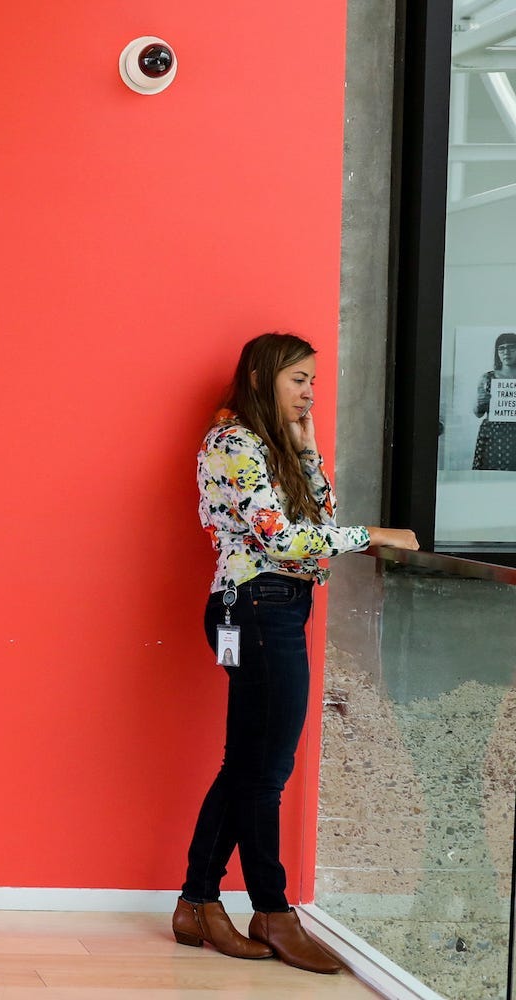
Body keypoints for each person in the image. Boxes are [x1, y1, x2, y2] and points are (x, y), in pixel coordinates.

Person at [175, 332, 419, 974]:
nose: (310, 392)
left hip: (273, 608)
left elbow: (318, 517)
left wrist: (309, 452)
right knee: (266, 770)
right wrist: (370, 535)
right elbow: (283, 539)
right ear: (259, 379)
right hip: (254, 607)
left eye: (314, 380)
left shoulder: (273, 447)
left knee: (247, 765)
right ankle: (272, 910)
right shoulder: (232, 444)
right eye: (297, 380)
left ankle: (198, 903)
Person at [471, 331, 516, 471]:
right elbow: (478, 413)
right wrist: (481, 401)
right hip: (492, 437)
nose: (506, 352)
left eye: (511, 347)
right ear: (497, 352)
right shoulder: (487, 378)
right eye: (501, 348)